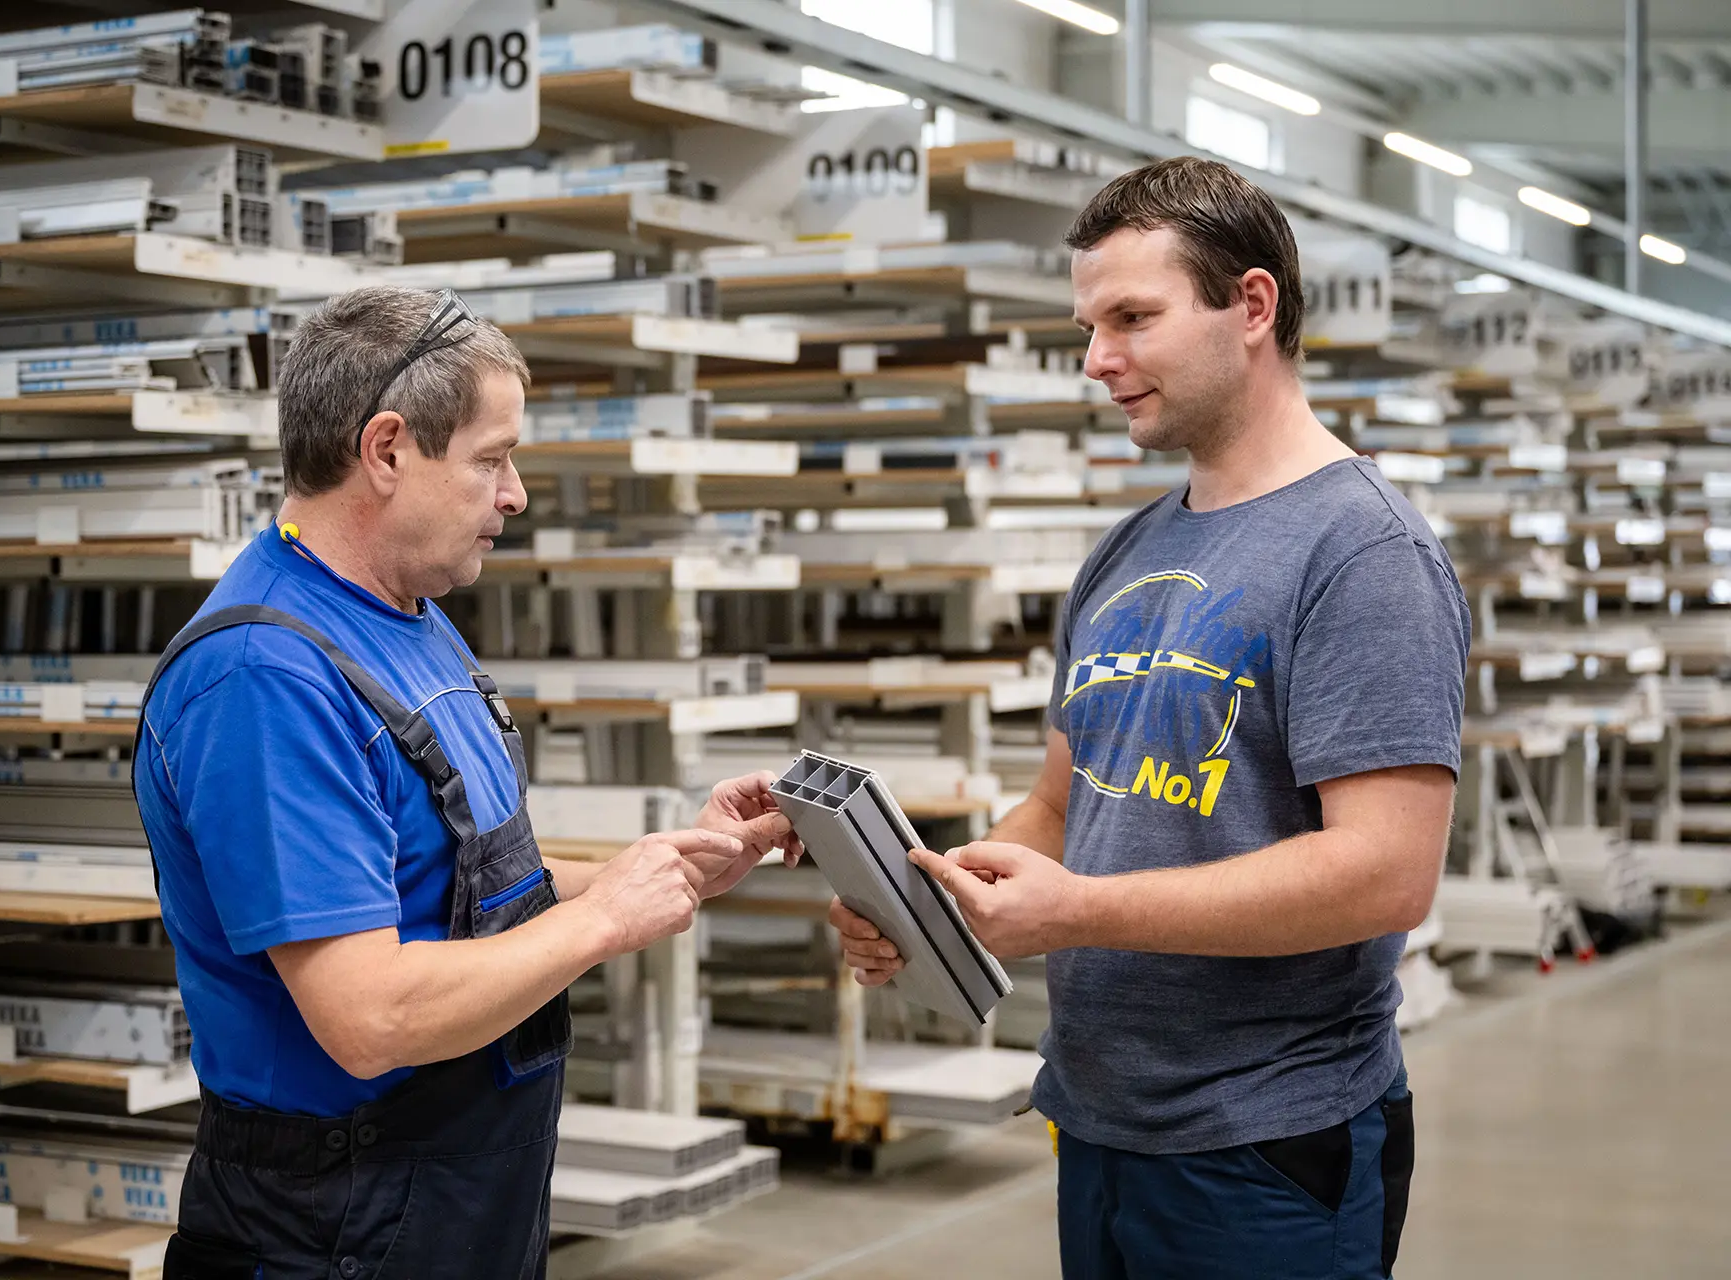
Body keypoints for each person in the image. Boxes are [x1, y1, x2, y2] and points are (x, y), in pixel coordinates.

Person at [831, 157, 1468, 1279]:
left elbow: (1385, 874)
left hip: (1265, 1142)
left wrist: (1078, 912)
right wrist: (934, 902)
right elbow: (1060, 805)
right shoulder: (1126, 552)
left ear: (1252, 305)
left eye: (1133, 318)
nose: (1097, 358)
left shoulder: (1364, 553)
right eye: (1091, 326)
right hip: (1100, 1118)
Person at [134, 285, 798, 1280]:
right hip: (332, 1227)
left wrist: (664, 867)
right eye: (492, 458)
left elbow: (453, 887)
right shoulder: (266, 676)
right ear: (387, 450)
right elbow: (371, 1018)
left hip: (452, 1204)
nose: (515, 492)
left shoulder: (407, 616)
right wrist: (605, 919)